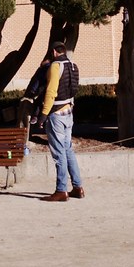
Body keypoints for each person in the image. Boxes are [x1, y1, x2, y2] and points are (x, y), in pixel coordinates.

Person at [36, 42, 84, 202]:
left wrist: (43, 115)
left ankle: (61, 190)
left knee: (59, 154)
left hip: (56, 114)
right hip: (69, 112)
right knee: (68, 150)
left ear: (54, 52)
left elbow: (51, 92)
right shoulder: (73, 66)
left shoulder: (55, 67)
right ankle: (78, 187)